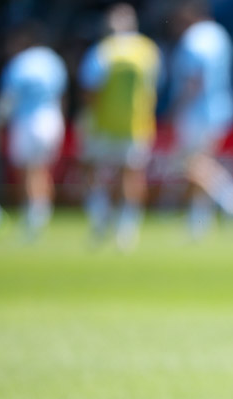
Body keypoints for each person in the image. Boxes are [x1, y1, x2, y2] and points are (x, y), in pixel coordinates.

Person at [167, 0, 233, 240]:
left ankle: (232, 197)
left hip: (197, 111)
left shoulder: (194, 39)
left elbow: (194, 80)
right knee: (202, 162)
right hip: (221, 107)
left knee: (191, 163)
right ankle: (198, 222)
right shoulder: (219, 34)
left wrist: (176, 108)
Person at [77, 3, 161, 251]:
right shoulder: (148, 50)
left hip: (103, 123)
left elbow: (90, 90)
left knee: (91, 170)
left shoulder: (104, 50)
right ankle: (127, 227)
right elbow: (155, 86)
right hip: (138, 123)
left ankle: (100, 215)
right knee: (131, 174)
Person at [0, 23, 67, 242]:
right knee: (42, 170)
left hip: (27, 121)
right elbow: (62, 94)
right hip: (52, 118)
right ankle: (42, 214)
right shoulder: (53, 60)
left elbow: (9, 100)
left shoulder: (19, 63)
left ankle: (32, 218)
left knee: (27, 171)